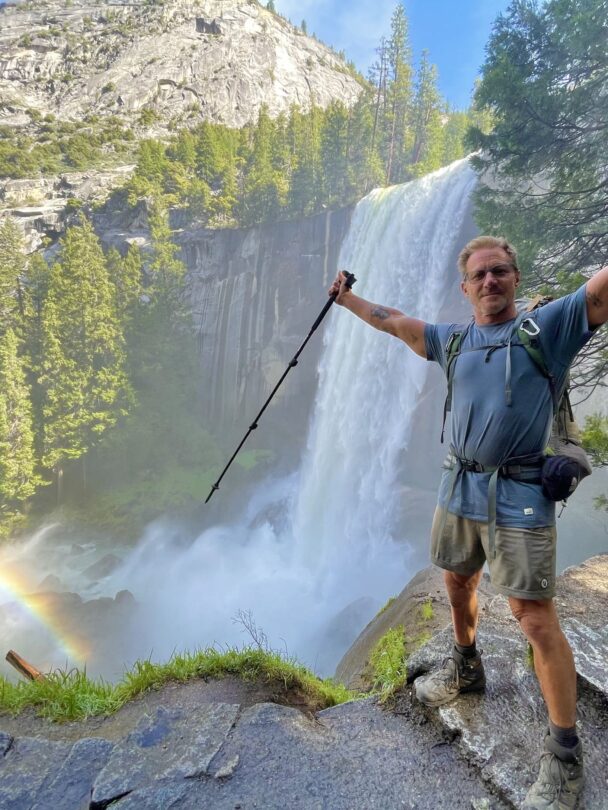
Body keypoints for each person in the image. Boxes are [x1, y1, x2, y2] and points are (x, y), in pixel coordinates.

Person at [328, 235, 608, 809]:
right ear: (465, 288)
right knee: (456, 582)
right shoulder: (453, 342)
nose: (489, 282)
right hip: (459, 484)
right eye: (479, 275)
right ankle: (466, 665)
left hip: (520, 491)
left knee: (534, 617)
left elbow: (600, 294)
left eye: (499, 272)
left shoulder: (547, 330)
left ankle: (564, 757)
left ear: (516, 276)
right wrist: (347, 302)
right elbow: (394, 322)